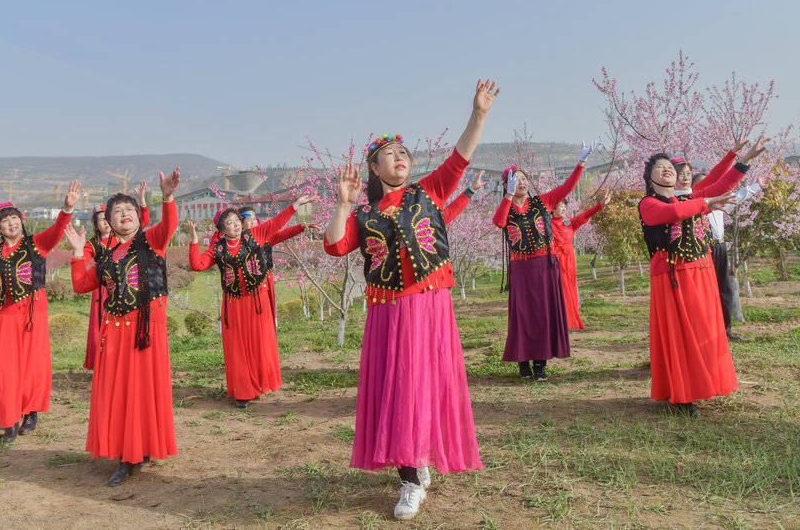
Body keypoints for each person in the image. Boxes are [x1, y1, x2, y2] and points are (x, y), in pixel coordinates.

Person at [324, 79, 499, 521]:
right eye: (390, 155)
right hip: (388, 309)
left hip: (429, 304)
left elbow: (461, 157)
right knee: (399, 386)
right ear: (375, 169)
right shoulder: (363, 214)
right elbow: (334, 246)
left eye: (404, 154)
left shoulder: (429, 191)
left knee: (425, 384)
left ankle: (420, 457)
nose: (400, 159)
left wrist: (478, 113)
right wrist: (342, 205)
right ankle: (410, 476)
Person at [638, 137, 768, 417]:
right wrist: (707, 200)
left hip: (702, 270)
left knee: (704, 331)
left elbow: (720, 185)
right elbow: (675, 212)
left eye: (668, 166)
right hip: (672, 275)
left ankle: (702, 383)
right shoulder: (648, 204)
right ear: (649, 179)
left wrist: (742, 160)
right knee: (681, 335)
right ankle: (683, 395)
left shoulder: (689, 197)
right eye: (659, 167)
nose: (667, 169)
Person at [66, 169, 181, 486]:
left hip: (145, 331)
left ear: (138, 217)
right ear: (109, 221)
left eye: (129, 209)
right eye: (116, 211)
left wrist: (167, 197)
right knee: (120, 394)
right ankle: (128, 452)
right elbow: (81, 286)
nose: (124, 214)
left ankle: (134, 455)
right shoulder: (105, 255)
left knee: (141, 392)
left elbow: (170, 225)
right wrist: (78, 253)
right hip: (114, 332)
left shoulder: (151, 241)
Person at [0, 181, 81, 441]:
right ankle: (9, 419)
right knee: (3, 367)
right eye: (5, 221)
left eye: (14, 218)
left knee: (32, 365)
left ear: (21, 220)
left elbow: (56, 231)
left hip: (33, 312)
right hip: (2, 315)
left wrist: (66, 208)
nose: (12, 223)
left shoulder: (36, 243)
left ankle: (30, 411)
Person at [186, 194, 316, 409]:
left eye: (237, 221)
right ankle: (243, 391)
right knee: (237, 347)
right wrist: (193, 240)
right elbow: (197, 265)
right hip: (234, 303)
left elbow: (276, 225)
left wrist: (295, 206)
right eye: (230, 223)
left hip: (257, 301)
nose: (235, 225)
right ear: (222, 229)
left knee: (259, 342)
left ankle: (261, 383)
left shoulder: (254, 235)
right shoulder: (217, 250)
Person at [492, 141, 601, 382]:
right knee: (522, 314)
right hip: (521, 267)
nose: (521, 182)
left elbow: (566, 188)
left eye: (523, 178)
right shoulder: (506, 208)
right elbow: (499, 222)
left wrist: (581, 162)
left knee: (543, 314)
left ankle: (540, 364)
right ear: (506, 185)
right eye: (514, 179)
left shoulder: (542, 202)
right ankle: (523, 361)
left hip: (545, 266)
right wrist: (508, 196)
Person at [672, 155, 769, 340]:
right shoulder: (691, 202)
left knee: (725, 289)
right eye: (704, 187)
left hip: (720, 247)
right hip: (702, 249)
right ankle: (705, 331)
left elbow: (738, 196)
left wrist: (756, 186)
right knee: (706, 291)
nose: (708, 190)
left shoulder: (718, 202)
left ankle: (725, 330)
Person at [82, 182, 151, 370]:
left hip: (128, 286)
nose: (104, 223)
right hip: (103, 288)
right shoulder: (93, 244)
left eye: (106, 218)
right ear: (97, 223)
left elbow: (143, 222)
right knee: (101, 325)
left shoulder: (126, 238)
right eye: (101, 220)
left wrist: (143, 201)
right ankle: (100, 360)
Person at [550, 191, 611, 330]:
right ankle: (555, 319)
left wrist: (600, 205)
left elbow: (583, 216)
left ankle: (567, 319)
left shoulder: (569, 222)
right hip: (554, 259)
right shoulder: (546, 224)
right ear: (552, 209)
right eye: (561, 206)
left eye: (565, 206)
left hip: (569, 259)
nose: (564, 208)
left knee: (568, 287)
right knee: (556, 288)